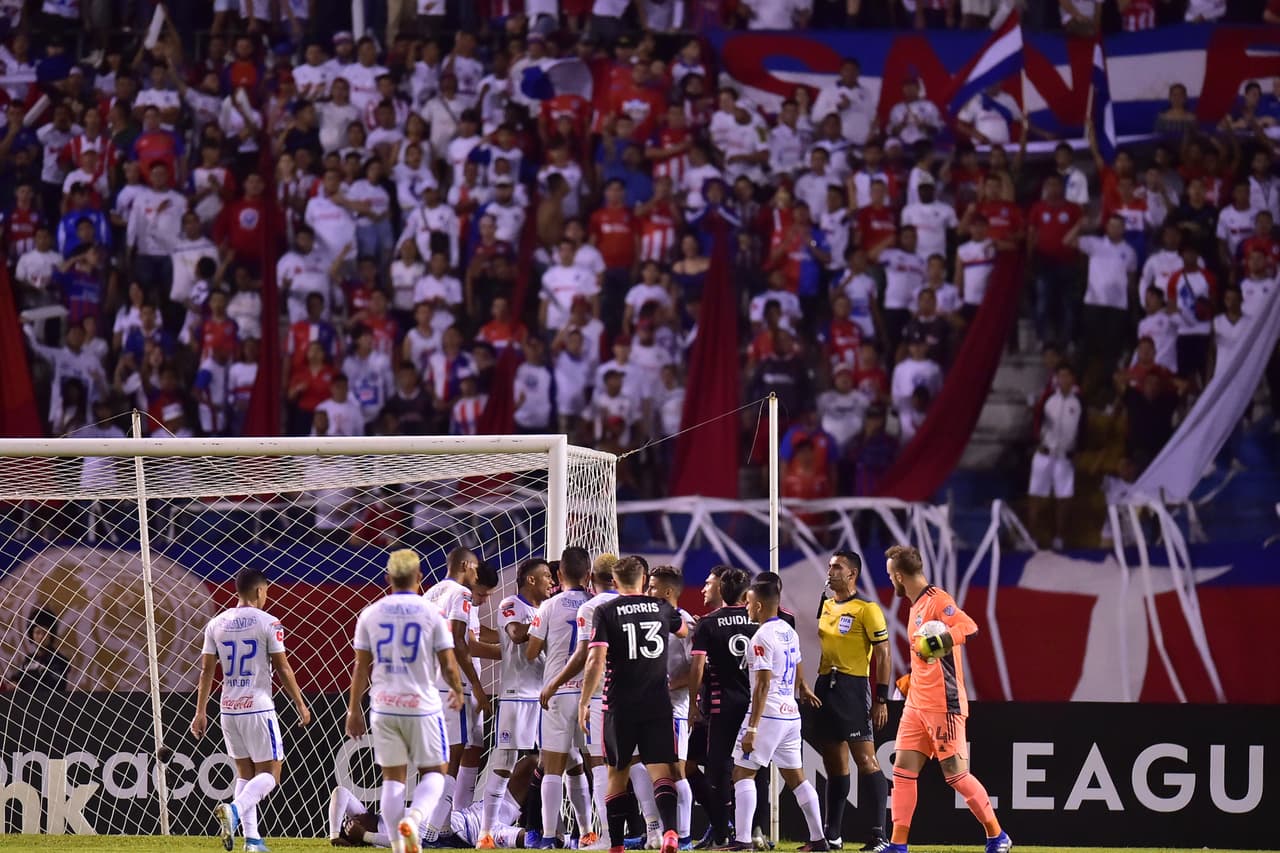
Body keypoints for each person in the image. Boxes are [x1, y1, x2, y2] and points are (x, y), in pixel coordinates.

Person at [883, 545, 1011, 853]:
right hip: (917, 704)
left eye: (891, 576)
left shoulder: (938, 601)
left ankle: (998, 836)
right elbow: (928, 657)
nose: (891, 582)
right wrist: (912, 679)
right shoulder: (914, 607)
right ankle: (898, 845)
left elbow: (969, 627)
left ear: (899, 576)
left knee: (956, 776)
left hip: (944, 705)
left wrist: (941, 640)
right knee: (902, 772)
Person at [346, 549, 463, 853]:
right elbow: (449, 664)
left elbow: (361, 667)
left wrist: (353, 709)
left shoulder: (371, 613)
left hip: (383, 706)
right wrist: (457, 689)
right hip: (421, 705)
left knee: (392, 780)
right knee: (436, 773)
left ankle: (400, 845)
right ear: (419, 578)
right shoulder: (432, 613)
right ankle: (414, 819)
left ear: (388, 578)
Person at [192, 568, 312, 853]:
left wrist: (200, 711)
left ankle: (253, 840)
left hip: (228, 709)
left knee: (244, 774)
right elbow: (283, 667)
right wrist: (299, 702)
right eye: (266, 591)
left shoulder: (216, 623)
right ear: (259, 591)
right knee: (271, 774)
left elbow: (206, 670)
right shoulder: (269, 622)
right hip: (258, 707)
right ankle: (234, 811)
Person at [578, 556, 688, 853]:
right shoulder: (662, 608)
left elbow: (596, 659)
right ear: (643, 579)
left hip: (619, 704)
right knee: (661, 770)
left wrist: (585, 700)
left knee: (617, 771)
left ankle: (614, 845)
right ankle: (671, 833)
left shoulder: (605, 611)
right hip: (657, 702)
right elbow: (684, 630)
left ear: (615, 583)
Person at [726, 579, 828, 852]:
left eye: (748, 603)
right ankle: (819, 840)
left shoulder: (761, 637)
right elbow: (797, 664)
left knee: (742, 773)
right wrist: (803, 688)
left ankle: (743, 840)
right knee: (796, 778)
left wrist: (753, 728)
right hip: (791, 714)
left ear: (758, 605)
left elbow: (762, 684)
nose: (746, 607)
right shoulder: (788, 631)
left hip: (768, 716)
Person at [801, 552, 891, 851]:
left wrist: (880, 697)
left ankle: (879, 834)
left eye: (837, 567)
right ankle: (833, 835)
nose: (830, 571)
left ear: (852, 573)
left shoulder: (867, 608)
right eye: (829, 566)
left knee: (865, 759)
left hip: (854, 688)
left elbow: (883, 653)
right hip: (826, 686)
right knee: (834, 763)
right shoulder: (826, 605)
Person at [478, 558, 555, 849]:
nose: (551, 581)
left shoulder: (545, 609)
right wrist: (546, 619)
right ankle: (486, 831)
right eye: (546, 576)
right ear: (531, 580)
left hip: (546, 697)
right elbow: (516, 634)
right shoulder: (511, 604)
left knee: (555, 762)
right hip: (517, 696)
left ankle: (549, 829)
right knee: (505, 762)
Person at [421, 547, 494, 843]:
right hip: (456, 685)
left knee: (461, 750)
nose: (476, 574)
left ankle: (447, 824)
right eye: (475, 568)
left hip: (431, 683)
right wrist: (476, 685)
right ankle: (433, 830)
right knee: (453, 756)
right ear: (465, 565)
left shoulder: (430, 594)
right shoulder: (461, 594)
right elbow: (459, 642)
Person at [526, 547, 597, 848]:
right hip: (592, 696)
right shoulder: (597, 606)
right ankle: (592, 832)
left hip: (556, 694)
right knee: (595, 765)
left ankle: (547, 836)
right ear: (589, 575)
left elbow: (530, 653)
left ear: (558, 574)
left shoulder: (549, 607)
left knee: (552, 767)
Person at [685, 567, 754, 848]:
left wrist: (691, 703)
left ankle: (726, 831)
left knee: (719, 769)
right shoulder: (758, 621)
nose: (703, 588)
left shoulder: (709, 623)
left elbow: (697, 666)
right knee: (747, 768)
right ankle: (733, 828)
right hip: (752, 705)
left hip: (719, 704)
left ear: (722, 590)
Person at [647, 564, 696, 848]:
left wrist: (668, 686)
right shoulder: (653, 620)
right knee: (652, 769)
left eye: (652, 587)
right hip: (652, 709)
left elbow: (697, 669)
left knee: (677, 771)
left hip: (675, 709)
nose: (648, 592)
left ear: (667, 592)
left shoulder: (685, 623)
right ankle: (659, 830)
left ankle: (685, 835)